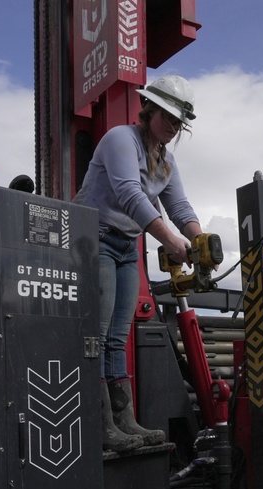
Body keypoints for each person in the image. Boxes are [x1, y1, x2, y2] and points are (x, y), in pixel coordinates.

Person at [73, 74, 203, 451]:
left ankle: (124, 421)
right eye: (168, 116)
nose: (173, 126)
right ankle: (100, 425)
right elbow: (129, 193)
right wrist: (171, 240)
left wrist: (198, 239)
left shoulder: (166, 160)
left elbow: (178, 206)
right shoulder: (120, 139)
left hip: (127, 246)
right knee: (96, 334)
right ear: (148, 109)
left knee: (118, 336)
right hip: (94, 238)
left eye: (179, 122)